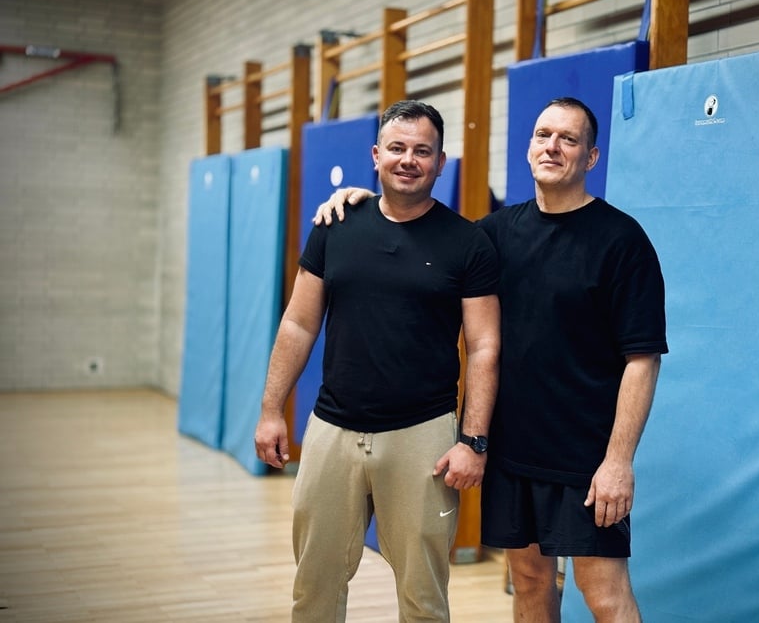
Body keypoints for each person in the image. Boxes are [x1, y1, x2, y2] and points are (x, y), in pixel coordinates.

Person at [314, 97, 667, 622]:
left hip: (586, 456)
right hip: (511, 450)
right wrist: (363, 200)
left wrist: (618, 461)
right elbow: (417, 228)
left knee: (603, 592)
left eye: (569, 139)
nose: (553, 147)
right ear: (527, 148)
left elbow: (643, 359)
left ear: (591, 158)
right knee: (528, 581)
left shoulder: (622, 240)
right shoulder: (492, 236)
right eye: (543, 135)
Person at [255, 99, 501, 622]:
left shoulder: (468, 243)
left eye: (422, 151)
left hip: (424, 438)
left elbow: (483, 347)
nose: (408, 159)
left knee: (423, 598)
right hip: (332, 430)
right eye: (397, 148)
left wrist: (473, 441)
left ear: (440, 162)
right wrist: (272, 409)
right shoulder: (335, 224)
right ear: (375, 155)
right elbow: (298, 323)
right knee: (314, 587)